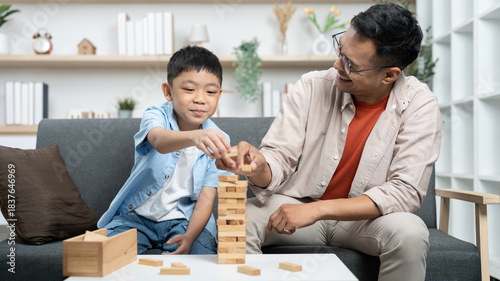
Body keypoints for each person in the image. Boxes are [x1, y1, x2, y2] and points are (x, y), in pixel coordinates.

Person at [217, 3, 442, 280]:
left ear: (389, 75)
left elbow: (404, 192)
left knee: (410, 233)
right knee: (237, 221)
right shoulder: (312, 86)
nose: (337, 65)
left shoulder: (420, 104)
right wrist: (258, 165)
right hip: (298, 205)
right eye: (340, 52)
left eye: (351, 64)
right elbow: (278, 155)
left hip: (367, 221)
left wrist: (317, 210)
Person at [98, 46, 232, 255]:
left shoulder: (220, 140)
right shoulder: (156, 115)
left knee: (203, 257)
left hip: (184, 222)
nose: (200, 99)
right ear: (168, 91)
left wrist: (189, 237)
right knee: (105, 255)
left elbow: (206, 199)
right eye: (189, 89)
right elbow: (159, 140)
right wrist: (194, 137)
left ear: (219, 95)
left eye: (211, 92)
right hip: (137, 219)